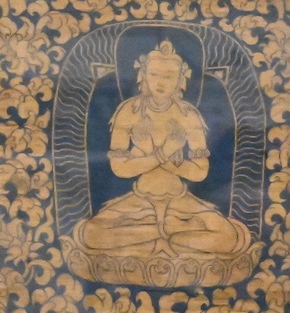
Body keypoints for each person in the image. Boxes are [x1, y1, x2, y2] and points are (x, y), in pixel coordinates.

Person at [71, 41, 249, 260]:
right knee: (91, 234)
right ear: (143, 75)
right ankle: (168, 234)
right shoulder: (129, 111)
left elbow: (200, 172)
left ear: (180, 80)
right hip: (139, 200)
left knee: (228, 237)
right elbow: (119, 168)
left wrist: (149, 157)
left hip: (180, 200)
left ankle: (154, 235)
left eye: (169, 76)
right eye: (154, 74)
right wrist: (166, 153)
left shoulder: (188, 115)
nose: (161, 82)